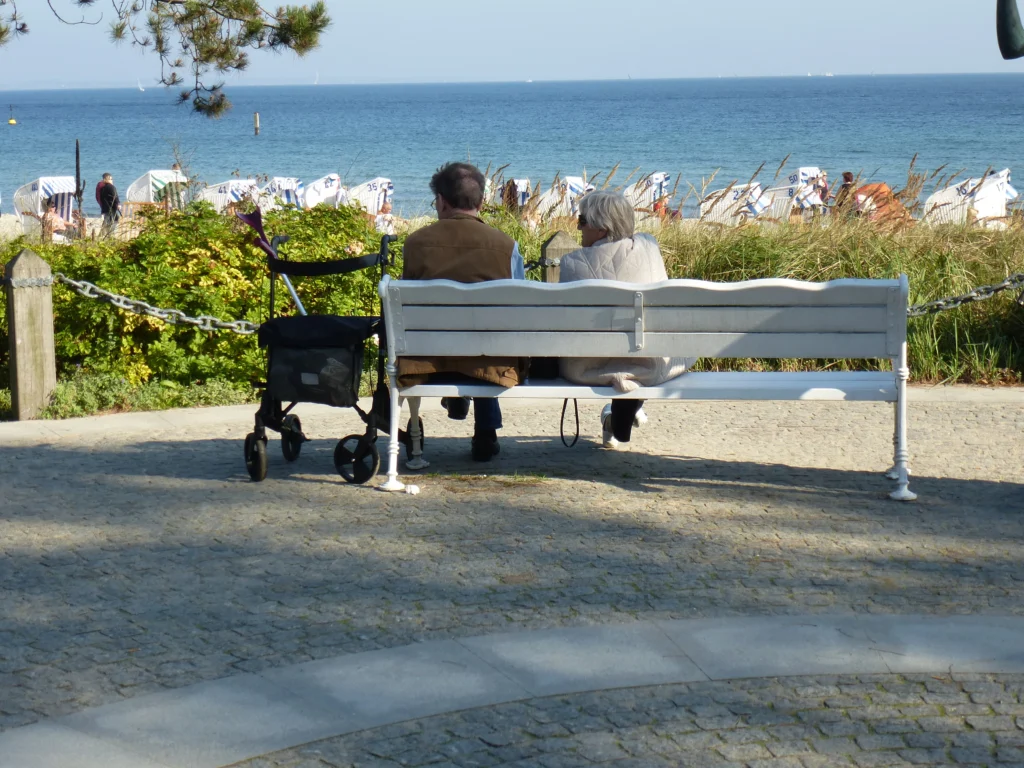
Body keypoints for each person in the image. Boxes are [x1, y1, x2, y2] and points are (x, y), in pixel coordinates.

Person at [398, 162, 526, 461]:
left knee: (454, 341)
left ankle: (457, 400)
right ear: (481, 202)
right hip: (490, 360)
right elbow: (520, 304)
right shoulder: (506, 246)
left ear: (441, 200)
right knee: (484, 344)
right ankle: (486, 431)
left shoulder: (415, 244)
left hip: (427, 358)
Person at [559, 190, 696, 450]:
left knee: (621, 351)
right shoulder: (649, 246)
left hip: (586, 366)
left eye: (582, 221)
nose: (578, 227)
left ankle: (619, 416)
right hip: (651, 362)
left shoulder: (572, 263)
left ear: (602, 229)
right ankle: (621, 413)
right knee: (641, 349)